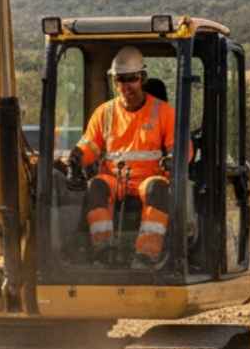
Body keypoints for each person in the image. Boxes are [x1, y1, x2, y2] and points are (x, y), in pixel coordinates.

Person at [62, 46, 187, 268]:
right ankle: (103, 252)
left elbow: (182, 147)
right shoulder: (105, 113)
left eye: (131, 79)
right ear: (114, 81)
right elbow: (89, 145)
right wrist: (76, 160)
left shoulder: (164, 112)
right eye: (120, 79)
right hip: (115, 180)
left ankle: (146, 255)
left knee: (156, 189)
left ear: (143, 78)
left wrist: (173, 159)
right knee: (96, 187)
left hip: (149, 179)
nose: (126, 86)